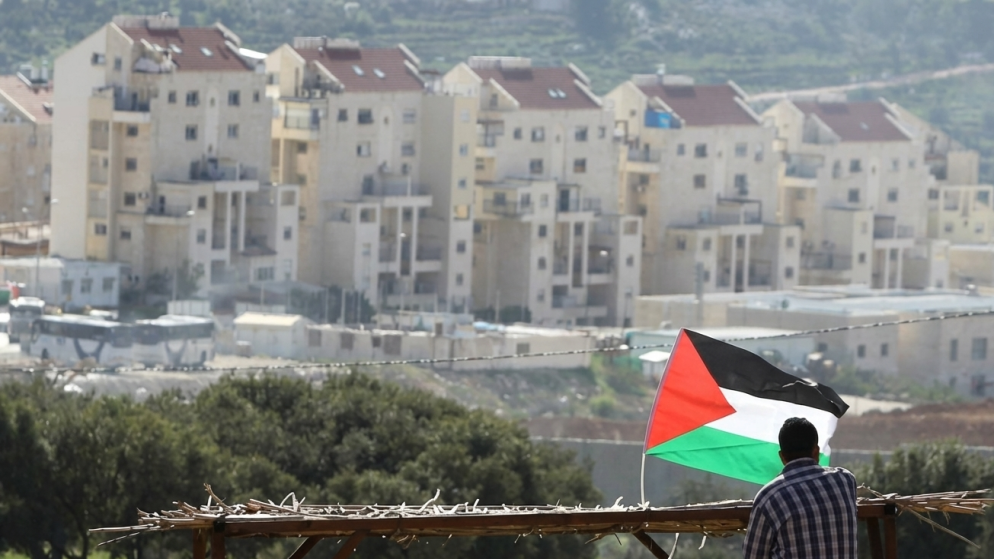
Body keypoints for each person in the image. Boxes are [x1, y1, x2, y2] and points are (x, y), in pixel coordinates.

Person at [742, 417, 857, 559]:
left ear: (782, 456)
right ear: (816, 451)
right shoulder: (845, 481)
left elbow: (752, 555)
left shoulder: (770, 497)